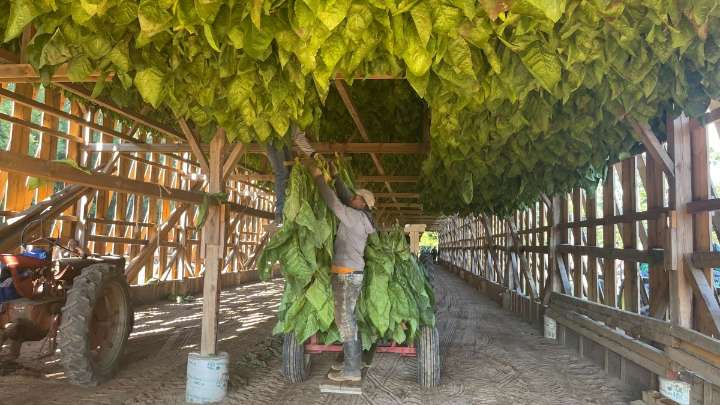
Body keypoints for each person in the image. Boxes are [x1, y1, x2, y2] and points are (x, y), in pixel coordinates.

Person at [294, 132, 376, 382]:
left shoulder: (355, 217)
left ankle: (352, 369)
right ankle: (352, 362)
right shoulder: (360, 216)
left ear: (363, 204)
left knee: (345, 319)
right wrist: (335, 175)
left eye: (357, 197)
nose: (354, 197)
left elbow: (334, 202)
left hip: (347, 276)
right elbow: (343, 195)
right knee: (347, 317)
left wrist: (319, 178)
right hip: (349, 273)